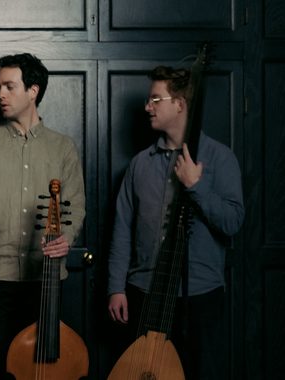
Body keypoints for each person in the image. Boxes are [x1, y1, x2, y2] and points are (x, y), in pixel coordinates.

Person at [107, 65, 244, 380]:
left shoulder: (220, 158)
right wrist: (116, 288)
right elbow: (122, 229)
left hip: (200, 296)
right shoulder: (139, 164)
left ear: (180, 104)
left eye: (155, 99)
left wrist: (196, 186)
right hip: (145, 293)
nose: (148, 107)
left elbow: (233, 222)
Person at [0, 53, 86, 380]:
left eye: (9, 86)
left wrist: (66, 238)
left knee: (41, 372)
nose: (0, 94)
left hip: (45, 281)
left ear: (33, 91)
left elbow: (75, 206)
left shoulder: (63, 147)